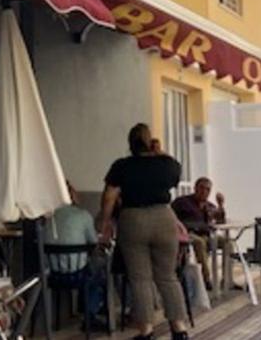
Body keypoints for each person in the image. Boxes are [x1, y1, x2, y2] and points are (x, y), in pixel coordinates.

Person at [99, 124, 189, 340]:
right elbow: (175, 169)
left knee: (140, 278)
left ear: (130, 144)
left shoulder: (122, 166)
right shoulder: (166, 164)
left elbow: (110, 196)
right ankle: (179, 328)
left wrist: (106, 222)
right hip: (164, 218)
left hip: (133, 219)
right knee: (168, 276)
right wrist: (160, 152)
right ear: (151, 142)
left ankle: (146, 331)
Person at [45, 181, 106, 324]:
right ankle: (90, 313)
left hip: (52, 275)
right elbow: (93, 241)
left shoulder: (47, 218)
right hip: (78, 273)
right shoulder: (83, 215)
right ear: (72, 195)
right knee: (100, 271)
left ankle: (84, 308)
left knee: (89, 271)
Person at [171, 177, 230, 290]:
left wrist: (221, 205)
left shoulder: (210, 206)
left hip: (207, 235)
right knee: (199, 243)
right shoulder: (182, 202)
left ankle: (227, 279)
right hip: (188, 234)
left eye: (207, 189)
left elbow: (220, 221)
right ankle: (205, 279)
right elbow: (171, 216)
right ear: (195, 188)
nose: (204, 192)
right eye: (201, 188)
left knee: (228, 243)